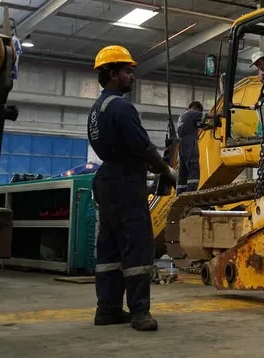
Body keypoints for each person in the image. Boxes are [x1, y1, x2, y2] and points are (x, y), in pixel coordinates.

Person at [87, 45, 178, 331]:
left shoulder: (96, 109)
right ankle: (139, 312)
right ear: (112, 74)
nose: (132, 77)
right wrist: (167, 170)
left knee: (110, 249)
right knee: (138, 248)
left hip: (106, 180)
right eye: (128, 71)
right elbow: (143, 147)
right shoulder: (122, 107)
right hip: (126, 182)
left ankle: (107, 310)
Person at [175, 101, 211, 194]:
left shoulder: (183, 116)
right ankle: (190, 193)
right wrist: (221, 114)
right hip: (190, 143)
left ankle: (180, 193)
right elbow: (208, 115)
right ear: (195, 108)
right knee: (194, 168)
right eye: (198, 112)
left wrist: (208, 126)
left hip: (182, 145)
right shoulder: (191, 113)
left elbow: (199, 125)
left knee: (183, 172)